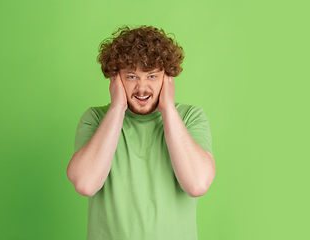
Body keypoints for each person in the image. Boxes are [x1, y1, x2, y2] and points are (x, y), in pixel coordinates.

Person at [66, 25, 216, 240]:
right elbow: (85, 184)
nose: (142, 88)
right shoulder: (96, 119)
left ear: (168, 78)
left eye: (152, 76)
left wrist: (168, 109)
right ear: (116, 79)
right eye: (132, 77)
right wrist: (117, 107)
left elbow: (197, 184)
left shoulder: (190, 117)